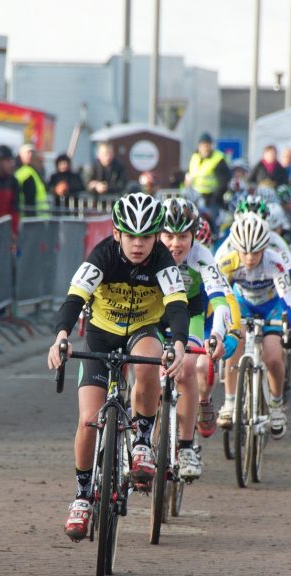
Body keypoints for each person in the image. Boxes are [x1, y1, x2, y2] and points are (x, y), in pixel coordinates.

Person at [47, 192, 188, 541]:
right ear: (116, 233)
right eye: (131, 236)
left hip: (142, 329)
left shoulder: (162, 261)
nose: (138, 245)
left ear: (156, 237)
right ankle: (82, 497)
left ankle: (141, 440)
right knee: (87, 420)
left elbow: (177, 305)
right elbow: (74, 299)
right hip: (100, 335)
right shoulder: (101, 256)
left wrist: (181, 343)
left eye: (145, 237)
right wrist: (61, 336)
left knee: (151, 360)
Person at [158, 198, 239, 475]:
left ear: (194, 235)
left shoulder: (202, 255)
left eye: (183, 236)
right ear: (158, 234)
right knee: (142, 364)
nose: (176, 244)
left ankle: (187, 445)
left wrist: (217, 333)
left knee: (188, 367)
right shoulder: (148, 251)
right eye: (169, 236)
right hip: (154, 314)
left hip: (190, 315)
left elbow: (220, 300)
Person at [216, 212, 291, 438]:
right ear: (236, 249)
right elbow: (216, 296)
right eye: (244, 252)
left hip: (272, 306)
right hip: (242, 303)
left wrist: (289, 329)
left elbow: (288, 300)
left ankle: (276, 404)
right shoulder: (226, 261)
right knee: (236, 340)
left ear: (265, 248)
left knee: (273, 355)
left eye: (255, 252)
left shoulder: (275, 261)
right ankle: (230, 402)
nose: (250, 258)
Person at [186, 132, 231, 210]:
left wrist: (215, 198)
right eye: (203, 145)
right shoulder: (195, 157)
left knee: (209, 220)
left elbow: (224, 182)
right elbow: (190, 175)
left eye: (208, 145)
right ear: (199, 146)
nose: (206, 148)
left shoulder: (218, 159)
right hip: (195, 198)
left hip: (211, 200)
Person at [14, 143, 49, 218]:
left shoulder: (34, 171)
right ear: (20, 155)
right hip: (30, 218)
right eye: (27, 152)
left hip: (39, 217)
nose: (29, 155)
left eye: (31, 153)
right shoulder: (25, 172)